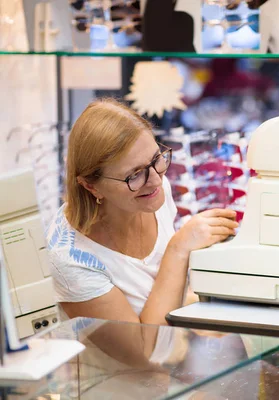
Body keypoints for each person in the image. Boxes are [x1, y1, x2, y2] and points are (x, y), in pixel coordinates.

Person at [46, 98, 238, 330]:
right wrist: (178, 249)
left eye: (157, 159)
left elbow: (160, 297)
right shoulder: (71, 259)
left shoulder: (152, 189)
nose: (157, 180)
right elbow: (142, 353)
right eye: (134, 174)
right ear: (90, 185)